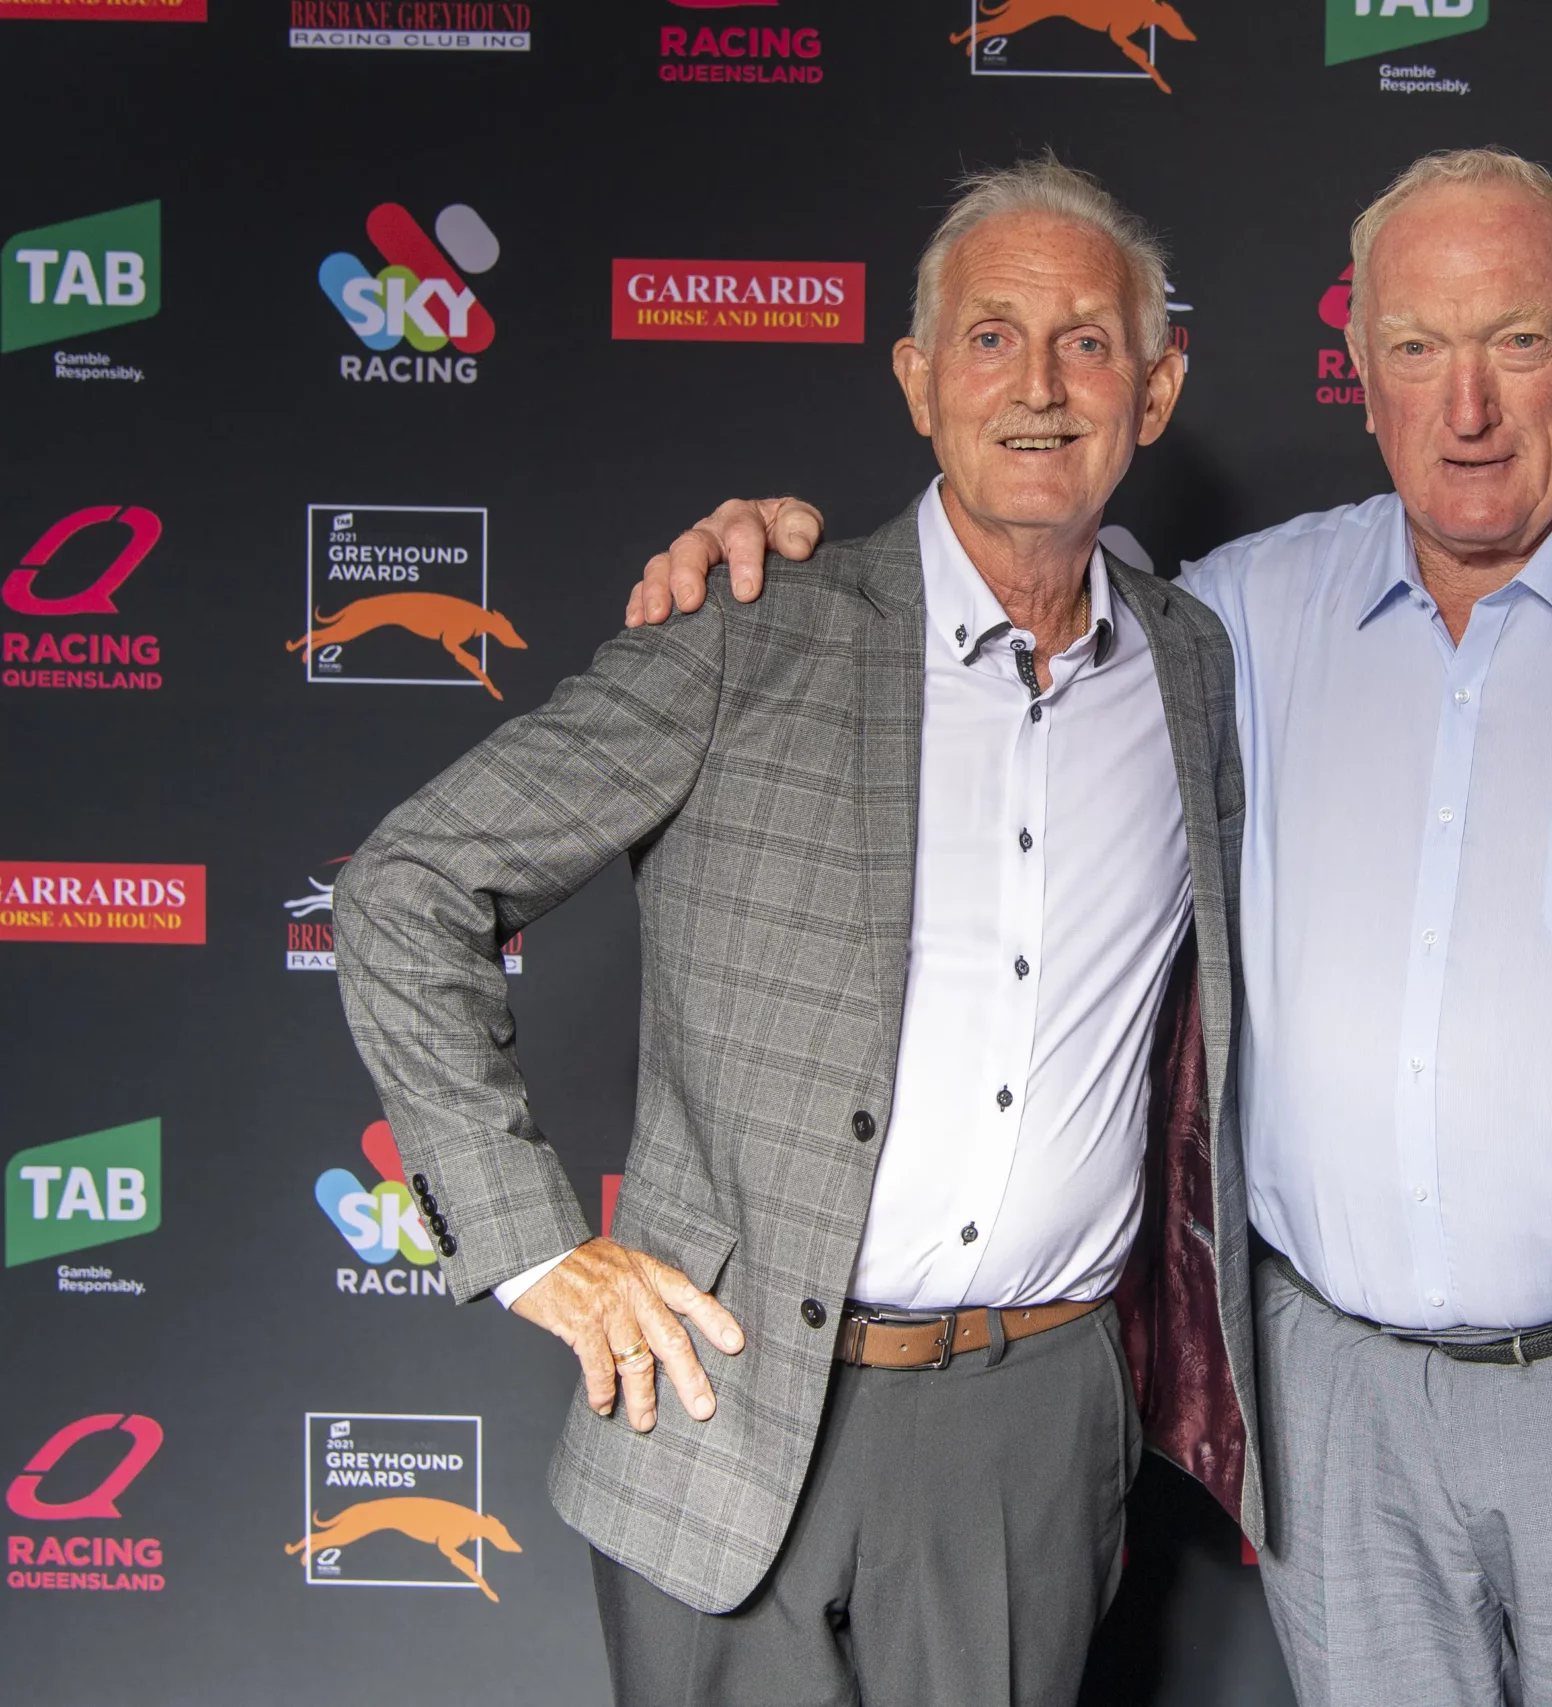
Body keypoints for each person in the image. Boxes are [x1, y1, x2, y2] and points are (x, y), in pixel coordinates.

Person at [629, 148, 1552, 1706]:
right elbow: (1022, 581)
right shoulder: (1237, 616)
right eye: (1415, 347)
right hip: (1334, 1407)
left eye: (1517, 341)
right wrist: (788, 574)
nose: (1464, 407)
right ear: (1359, 373)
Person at [332, 157, 1261, 1707]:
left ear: (1155, 392)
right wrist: (530, 1242)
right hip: (720, 1406)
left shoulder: (1200, 668)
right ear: (917, 380)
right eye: (990, 337)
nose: (1039, 384)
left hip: (1030, 1432)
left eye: (1090, 342)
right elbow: (407, 885)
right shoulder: (750, 623)